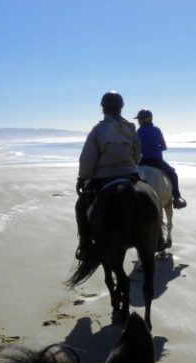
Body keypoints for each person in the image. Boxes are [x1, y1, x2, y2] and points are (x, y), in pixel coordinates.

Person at [75, 91, 142, 259]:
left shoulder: (98, 129)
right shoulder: (130, 128)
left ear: (103, 108)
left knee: (81, 206)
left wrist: (82, 178)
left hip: (104, 176)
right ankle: (156, 236)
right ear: (121, 108)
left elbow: (87, 158)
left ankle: (85, 244)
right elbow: (137, 154)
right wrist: (131, 167)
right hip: (130, 173)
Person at [134, 109, 187, 209]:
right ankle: (177, 199)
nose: (138, 121)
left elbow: (136, 149)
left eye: (139, 119)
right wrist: (155, 148)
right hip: (157, 161)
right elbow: (164, 147)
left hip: (141, 161)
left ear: (144, 120)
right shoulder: (157, 130)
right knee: (173, 175)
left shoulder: (138, 132)